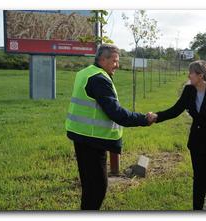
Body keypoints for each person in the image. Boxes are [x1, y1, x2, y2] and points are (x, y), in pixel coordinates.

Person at [65, 44, 154, 210]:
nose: (117, 65)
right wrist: (144, 119)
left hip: (81, 135)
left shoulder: (85, 72)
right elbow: (117, 114)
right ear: (102, 59)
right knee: (97, 189)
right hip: (93, 141)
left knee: (89, 186)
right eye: (114, 61)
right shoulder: (99, 79)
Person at [148, 60, 206, 210]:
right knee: (199, 180)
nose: (189, 75)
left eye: (191, 73)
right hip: (197, 142)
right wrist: (157, 116)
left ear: (200, 75)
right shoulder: (189, 90)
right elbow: (175, 110)